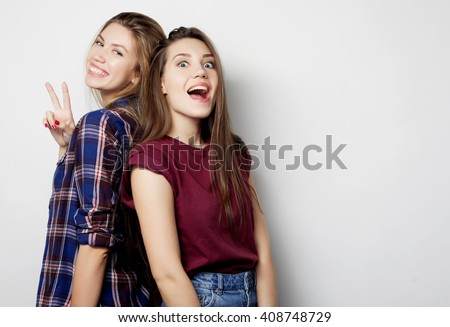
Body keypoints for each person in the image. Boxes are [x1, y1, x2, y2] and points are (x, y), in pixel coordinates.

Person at [120, 27, 278, 307]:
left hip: (252, 296)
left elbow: (263, 252)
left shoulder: (233, 150)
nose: (201, 71)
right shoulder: (150, 159)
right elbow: (167, 273)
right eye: (183, 63)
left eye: (208, 64)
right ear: (161, 84)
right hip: (197, 300)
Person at [37, 12, 166, 307]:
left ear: (138, 73)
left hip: (89, 300)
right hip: (132, 298)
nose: (99, 55)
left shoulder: (101, 123)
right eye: (100, 42)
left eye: (117, 52)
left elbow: (97, 240)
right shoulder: (144, 127)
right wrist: (70, 148)